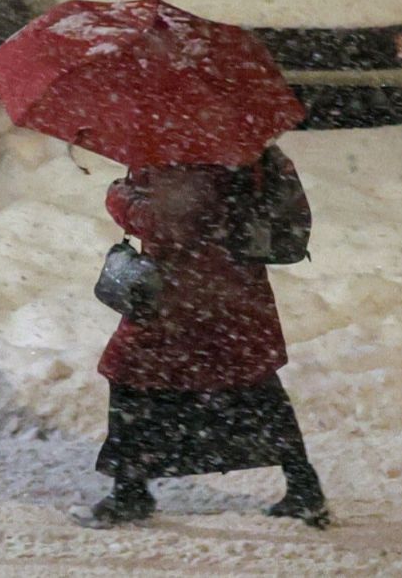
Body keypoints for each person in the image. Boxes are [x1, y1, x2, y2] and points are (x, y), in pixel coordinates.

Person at [73, 150, 328, 529]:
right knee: (254, 386)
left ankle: (130, 492)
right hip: (237, 298)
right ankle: (303, 486)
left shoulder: (182, 154)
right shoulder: (254, 151)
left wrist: (120, 197)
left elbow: (167, 221)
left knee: (131, 375)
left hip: (181, 299)